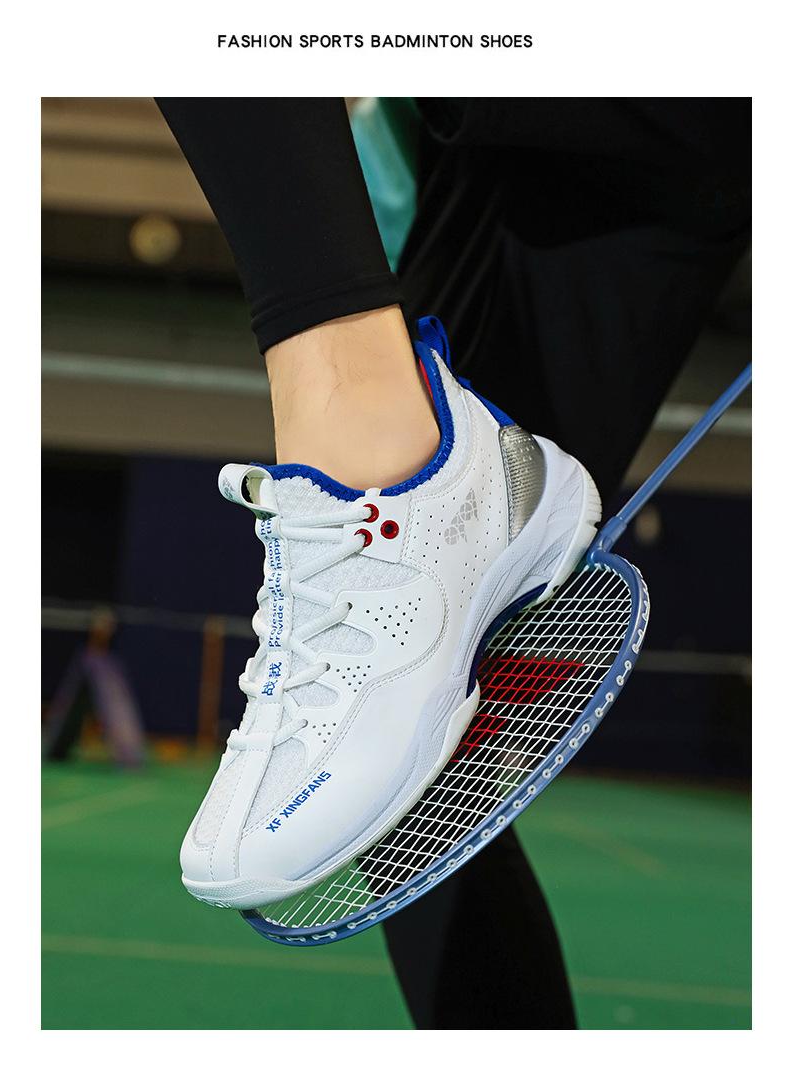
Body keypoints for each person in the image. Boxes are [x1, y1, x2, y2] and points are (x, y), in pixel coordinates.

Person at [156, 97, 751, 1030]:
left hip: (671, 124)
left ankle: (378, 449)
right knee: (419, 810)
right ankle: (417, 470)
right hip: (484, 138)